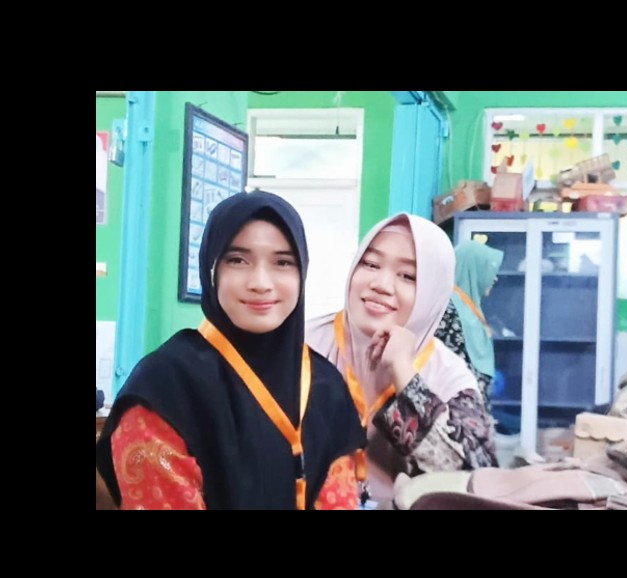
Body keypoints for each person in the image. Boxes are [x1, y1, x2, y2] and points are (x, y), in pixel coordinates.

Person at [96, 191, 365, 510]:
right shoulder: (165, 388)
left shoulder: (326, 387)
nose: (260, 282)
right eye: (238, 260)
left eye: (282, 262)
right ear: (211, 269)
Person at [306, 213, 498, 508]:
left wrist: (405, 375)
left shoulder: (447, 375)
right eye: (371, 264)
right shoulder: (305, 344)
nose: (381, 284)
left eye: (408, 276)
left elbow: (477, 482)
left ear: (433, 291)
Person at [434, 239, 504, 411]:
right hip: (451, 413)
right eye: (488, 268)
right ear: (472, 269)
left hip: (471, 413)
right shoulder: (446, 307)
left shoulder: (470, 309)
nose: (495, 277)